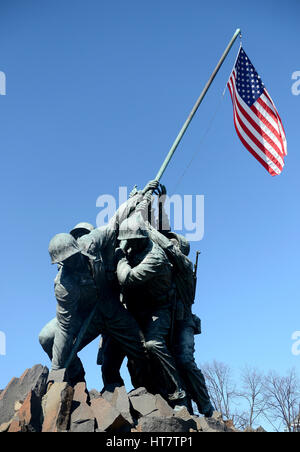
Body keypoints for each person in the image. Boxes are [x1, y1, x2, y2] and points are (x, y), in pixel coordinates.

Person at [38, 181, 158, 387]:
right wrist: (57, 370)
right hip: (86, 317)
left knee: (141, 348)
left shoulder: (92, 242)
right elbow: (66, 327)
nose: (73, 263)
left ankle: (152, 390)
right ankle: (76, 379)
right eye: (66, 261)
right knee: (47, 338)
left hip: (112, 308)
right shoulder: (63, 284)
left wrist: (138, 199)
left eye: (73, 257)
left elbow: (116, 222)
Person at [114, 213, 188, 408]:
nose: (127, 245)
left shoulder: (154, 257)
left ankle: (178, 393)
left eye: (130, 241)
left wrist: (119, 258)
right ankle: (144, 390)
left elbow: (128, 279)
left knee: (153, 344)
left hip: (160, 308)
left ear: (140, 239)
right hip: (140, 309)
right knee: (133, 347)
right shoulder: (136, 247)